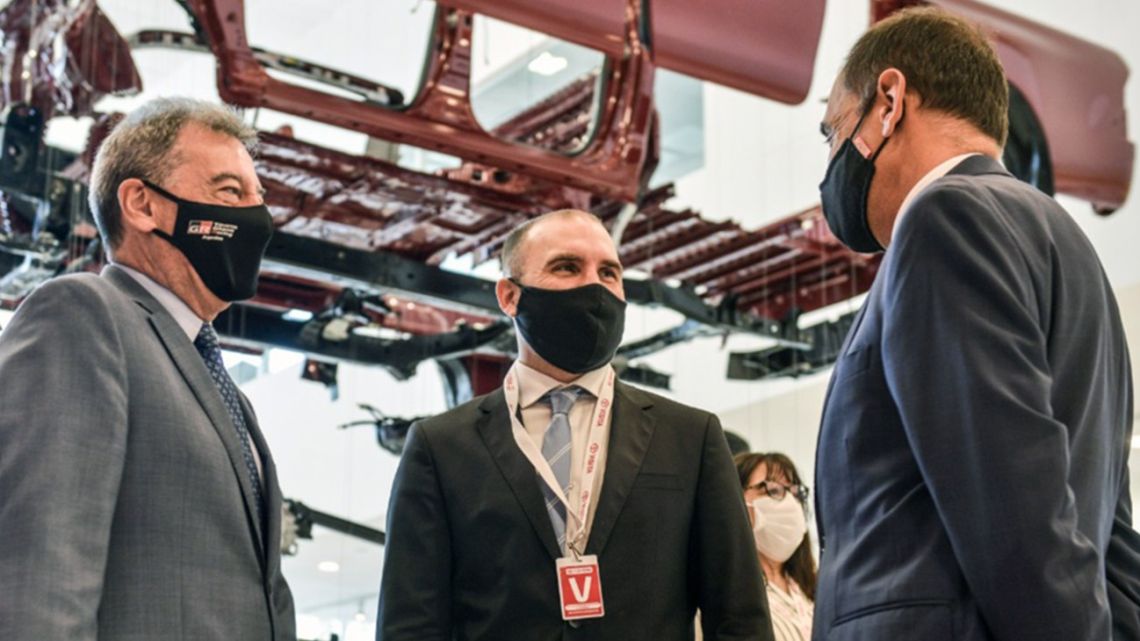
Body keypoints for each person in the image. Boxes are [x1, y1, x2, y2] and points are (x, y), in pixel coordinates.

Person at [813, 7, 1138, 641]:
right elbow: (1110, 531)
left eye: (832, 133)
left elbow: (1014, 512)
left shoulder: (943, 219)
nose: (830, 166)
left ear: (890, 99)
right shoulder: (1065, 241)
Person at [377, 209, 773, 641]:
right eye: (567, 267)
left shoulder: (690, 438)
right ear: (510, 296)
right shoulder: (440, 446)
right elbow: (410, 624)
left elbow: (739, 617)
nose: (594, 287)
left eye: (609, 272)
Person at [0, 97, 296, 640]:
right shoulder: (83, 316)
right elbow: (39, 573)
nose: (259, 220)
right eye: (230, 192)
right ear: (141, 204)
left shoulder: (222, 385)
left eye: (260, 199)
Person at [736, 453, 815, 641]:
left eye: (795, 493)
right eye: (773, 490)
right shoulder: (726, 592)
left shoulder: (811, 586)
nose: (789, 503)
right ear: (737, 499)